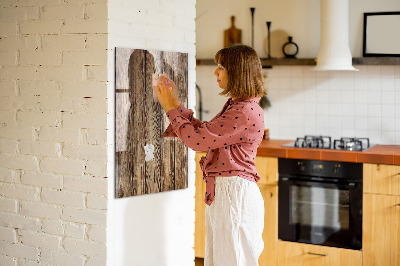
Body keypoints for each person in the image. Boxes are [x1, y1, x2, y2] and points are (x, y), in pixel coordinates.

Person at [153, 44, 267, 266]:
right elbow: (205, 133)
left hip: (234, 196)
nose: (215, 72)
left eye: (221, 67)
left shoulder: (243, 111)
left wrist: (169, 108)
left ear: (237, 72)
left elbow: (197, 141)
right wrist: (175, 104)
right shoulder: (239, 106)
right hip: (229, 193)